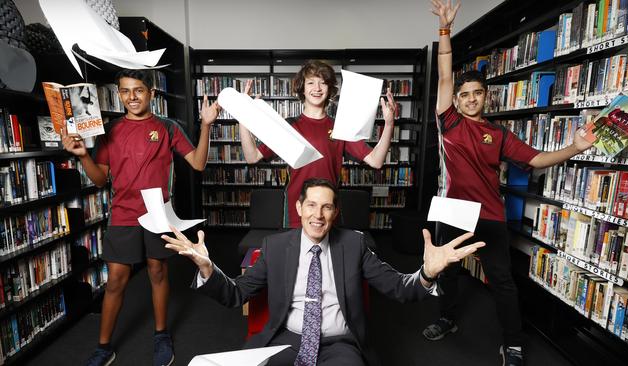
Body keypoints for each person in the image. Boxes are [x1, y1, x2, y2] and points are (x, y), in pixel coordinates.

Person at [425, 1, 593, 365]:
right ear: (456, 99)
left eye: (477, 93)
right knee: (448, 273)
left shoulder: (498, 135)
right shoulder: (448, 122)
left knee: (502, 282)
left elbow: (536, 159)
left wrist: (574, 147)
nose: (470, 99)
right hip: (453, 211)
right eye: (464, 94)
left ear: (486, 97)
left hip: (489, 215)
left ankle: (512, 343)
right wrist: (445, 30)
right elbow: (443, 76)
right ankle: (447, 318)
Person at [162, 178, 486, 366]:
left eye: (327, 206)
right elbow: (236, 294)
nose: (319, 215)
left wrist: (427, 273)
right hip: (284, 339)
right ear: (299, 208)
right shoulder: (274, 246)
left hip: (339, 343)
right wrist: (208, 268)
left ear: (336, 212)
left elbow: (400, 289)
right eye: (312, 205)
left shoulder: (354, 244)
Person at [62, 69, 221, 366]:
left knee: (157, 273)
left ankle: (161, 335)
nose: (131, 97)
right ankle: (103, 347)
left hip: (157, 214)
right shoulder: (109, 131)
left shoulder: (168, 127)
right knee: (116, 282)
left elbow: (198, 164)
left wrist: (207, 125)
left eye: (138, 90)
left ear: (151, 93)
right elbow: (99, 180)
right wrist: (83, 155)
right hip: (123, 215)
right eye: (124, 91)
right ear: (119, 94)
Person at [239, 60, 397, 228]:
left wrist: (389, 124)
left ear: (329, 89)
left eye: (323, 83)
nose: (317, 88)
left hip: (328, 207)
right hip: (297, 207)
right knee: (295, 253)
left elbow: (376, 160)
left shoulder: (340, 127)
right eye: (311, 82)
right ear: (302, 88)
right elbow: (252, 157)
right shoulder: (289, 126)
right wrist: (243, 116)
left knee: (330, 253)